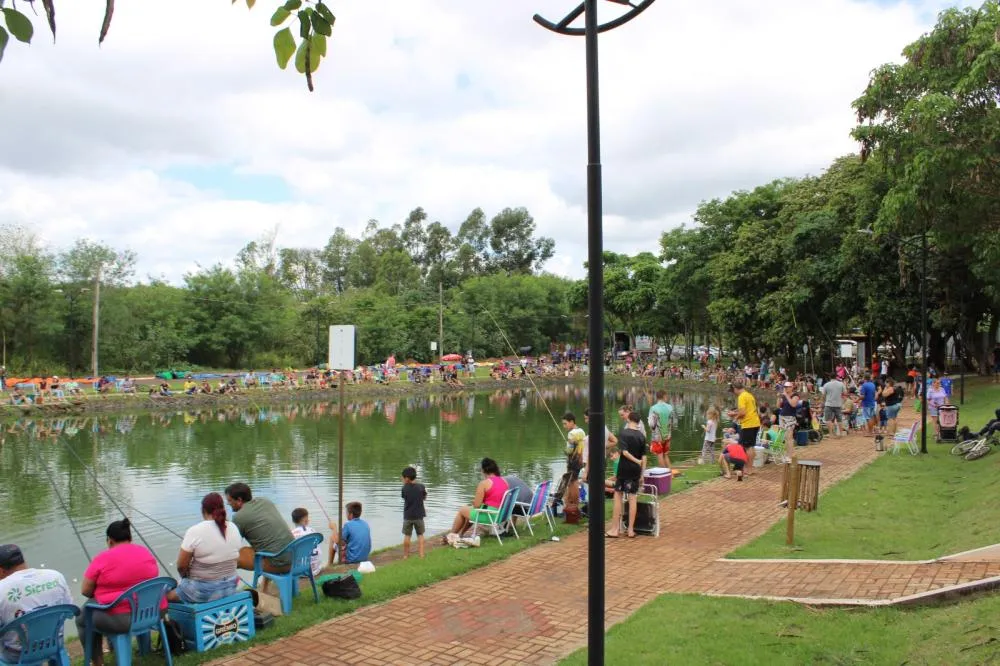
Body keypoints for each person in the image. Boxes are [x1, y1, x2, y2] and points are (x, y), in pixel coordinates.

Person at [77, 519, 162, 666]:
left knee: (82, 618)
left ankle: (97, 662)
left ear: (109, 540)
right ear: (130, 538)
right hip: (152, 613)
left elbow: (85, 590)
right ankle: (145, 650)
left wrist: (101, 592)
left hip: (122, 620)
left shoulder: (102, 558)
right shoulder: (145, 552)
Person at [0, 544, 73, 663]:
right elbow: (70, 612)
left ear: (1, 570)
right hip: (54, 644)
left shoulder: (1, 588)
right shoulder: (56, 576)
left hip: (17, 654)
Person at [169, 492, 242, 603]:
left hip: (203, 592)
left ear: (203, 510)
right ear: (223, 509)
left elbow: (181, 566)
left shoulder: (195, 531)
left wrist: (184, 577)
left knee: (165, 598)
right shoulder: (233, 527)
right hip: (231, 586)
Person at [224, 482, 293, 573]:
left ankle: (225, 582)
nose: (228, 503)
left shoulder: (239, 517)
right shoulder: (265, 501)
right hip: (295, 558)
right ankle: (265, 583)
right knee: (246, 550)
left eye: (230, 501)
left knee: (230, 560)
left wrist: (225, 525)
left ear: (239, 500)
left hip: (282, 565)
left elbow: (230, 544)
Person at [605, 411, 647, 538]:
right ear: (638, 421)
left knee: (618, 495)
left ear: (629, 419)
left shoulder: (624, 433)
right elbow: (644, 457)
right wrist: (642, 473)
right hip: (635, 471)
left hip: (624, 469)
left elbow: (624, 452)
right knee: (633, 497)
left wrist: (636, 461)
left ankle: (615, 529)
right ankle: (630, 530)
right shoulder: (641, 436)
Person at [448, 458, 509, 539]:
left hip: (491, 516)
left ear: (483, 470)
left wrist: (474, 502)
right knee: (470, 510)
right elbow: (496, 498)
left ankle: (451, 535)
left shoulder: (484, 483)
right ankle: (460, 534)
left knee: (462, 510)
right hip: (502, 515)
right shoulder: (504, 481)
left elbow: (477, 505)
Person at [727, 380, 760, 475]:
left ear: (735, 388)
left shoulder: (741, 396)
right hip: (755, 423)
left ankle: (747, 469)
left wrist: (734, 416)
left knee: (747, 447)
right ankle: (749, 468)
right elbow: (747, 410)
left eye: (732, 391)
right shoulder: (749, 395)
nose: (733, 393)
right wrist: (735, 413)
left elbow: (743, 413)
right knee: (751, 446)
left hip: (748, 424)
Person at [560, 412, 586, 517]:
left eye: (565, 423)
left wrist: (565, 451)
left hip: (573, 461)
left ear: (571, 422)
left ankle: (574, 506)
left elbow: (569, 450)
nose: (564, 426)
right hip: (580, 460)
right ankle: (572, 504)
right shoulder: (581, 431)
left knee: (572, 482)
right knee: (573, 481)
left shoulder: (571, 434)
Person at [401, 467, 427, 559]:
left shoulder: (404, 488)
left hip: (408, 516)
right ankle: (421, 555)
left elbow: (404, 497)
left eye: (403, 477)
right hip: (419, 515)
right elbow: (424, 497)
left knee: (407, 535)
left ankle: (406, 555)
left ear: (407, 478)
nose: (402, 479)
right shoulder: (421, 486)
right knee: (420, 535)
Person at [290, 508, 323, 577]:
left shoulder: (292, 534)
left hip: (300, 573)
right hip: (316, 570)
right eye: (307, 518)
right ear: (305, 520)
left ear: (293, 520)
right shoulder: (313, 531)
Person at [648, 391, 674, 469]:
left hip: (657, 436)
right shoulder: (670, 407)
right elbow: (672, 422)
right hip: (668, 435)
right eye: (666, 396)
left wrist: (651, 429)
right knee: (665, 454)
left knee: (660, 455)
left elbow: (651, 424)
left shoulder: (653, 408)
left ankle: (663, 473)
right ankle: (670, 472)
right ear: (664, 396)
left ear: (657, 397)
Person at [821, 373, 847, 437]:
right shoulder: (841, 384)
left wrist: (823, 402)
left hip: (828, 404)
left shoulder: (826, 385)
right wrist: (842, 401)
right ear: (836, 377)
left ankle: (831, 434)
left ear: (830, 377)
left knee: (828, 419)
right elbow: (845, 393)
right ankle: (840, 433)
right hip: (838, 404)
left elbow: (823, 395)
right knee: (839, 419)